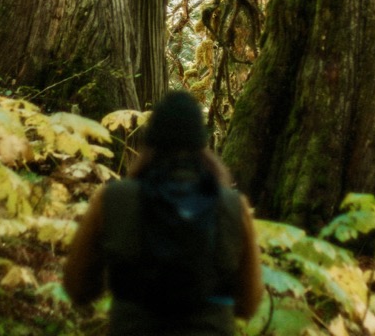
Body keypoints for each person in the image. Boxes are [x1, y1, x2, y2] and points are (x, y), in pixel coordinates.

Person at [63, 90, 264, 335]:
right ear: (203, 146)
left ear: (150, 143)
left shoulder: (113, 199)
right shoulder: (233, 206)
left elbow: (77, 286)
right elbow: (249, 305)